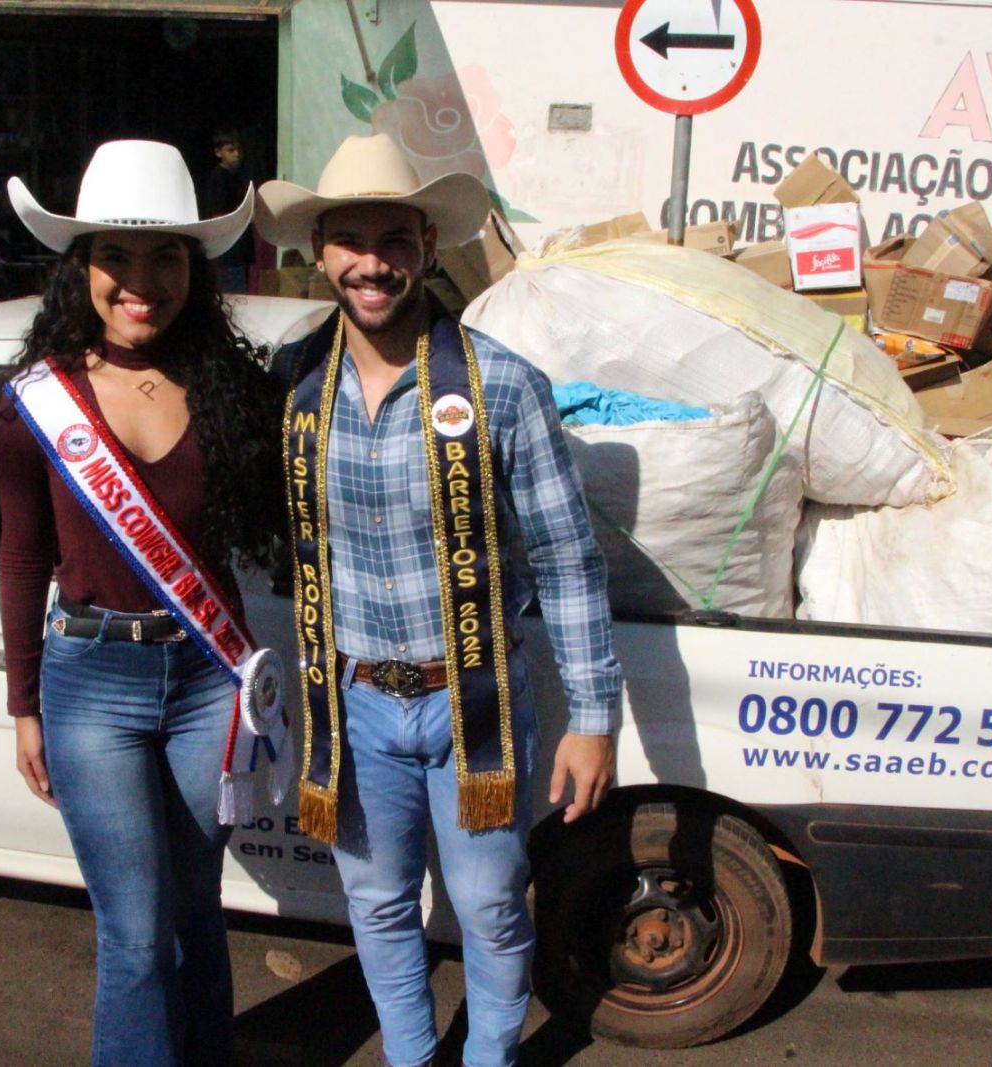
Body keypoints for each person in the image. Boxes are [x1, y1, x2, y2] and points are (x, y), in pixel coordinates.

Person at [255, 134, 622, 1067]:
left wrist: (594, 718)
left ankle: (489, 1058)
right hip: (352, 706)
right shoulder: (294, 383)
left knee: (492, 904)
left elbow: (569, 558)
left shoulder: (501, 384)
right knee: (377, 905)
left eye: (394, 237)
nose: (372, 262)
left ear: (424, 241)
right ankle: (414, 1057)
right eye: (349, 239)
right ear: (320, 249)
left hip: (474, 704)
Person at [0, 140, 284, 1066]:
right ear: (80, 266)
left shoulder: (232, 387)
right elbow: (22, 556)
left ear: (195, 270)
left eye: (166, 256)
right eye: (117, 255)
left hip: (208, 680)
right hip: (93, 684)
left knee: (199, 908)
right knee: (134, 931)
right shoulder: (35, 404)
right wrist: (24, 703)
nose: (141, 280)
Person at [199, 128, 256, 294]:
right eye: (230, 150)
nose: (237, 154)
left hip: (241, 250)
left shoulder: (237, 177)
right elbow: (218, 216)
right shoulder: (218, 178)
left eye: (239, 149)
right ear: (218, 152)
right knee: (233, 297)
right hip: (229, 252)